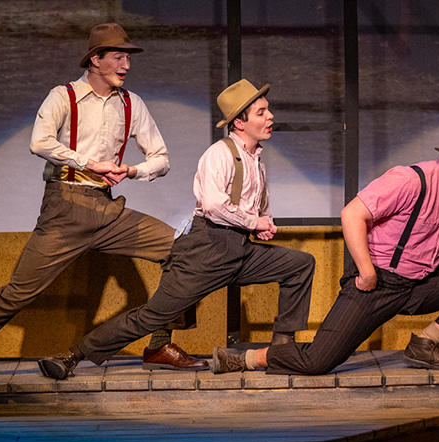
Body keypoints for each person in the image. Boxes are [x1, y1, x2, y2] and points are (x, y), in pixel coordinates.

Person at [0, 23, 201, 382]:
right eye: (118, 56)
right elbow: (39, 143)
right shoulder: (63, 96)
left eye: (127, 58)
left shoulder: (131, 103)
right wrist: (89, 163)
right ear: (96, 59)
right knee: (16, 293)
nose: (126, 64)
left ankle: (159, 343)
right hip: (65, 208)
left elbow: (162, 158)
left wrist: (132, 170)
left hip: (108, 210)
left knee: (185, 251)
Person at [37, 79, 316, 380]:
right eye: (261, 112)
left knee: (299, 265)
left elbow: (254, 204)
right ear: (239, 122)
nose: (270, 116)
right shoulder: (220, 154)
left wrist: (264, 221)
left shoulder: (255, 160)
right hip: (205, 250)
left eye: (268, 110)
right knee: (150, 317)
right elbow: (212, 204)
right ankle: (71, 356)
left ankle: (282, 347)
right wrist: (252, 222)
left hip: (239, 249)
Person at [211, 124, 439, 376]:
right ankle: (246, 359)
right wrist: (365, 272)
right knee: (318, 361)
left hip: (421, 283)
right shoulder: (410, 180)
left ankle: (425, 343)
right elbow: (352, 214)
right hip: (378, 282)